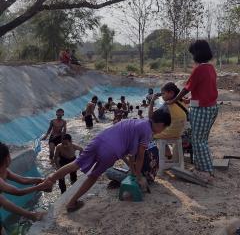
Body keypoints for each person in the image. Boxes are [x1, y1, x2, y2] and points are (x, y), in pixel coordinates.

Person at [38, 108, 171, 212]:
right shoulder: (147, 131)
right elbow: (140, 156)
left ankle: (50, 180)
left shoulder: (137, 122)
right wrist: (139, 175)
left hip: (99, 139)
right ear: (160, 124)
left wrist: (134, 171)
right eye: (164, 127)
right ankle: (72, 203)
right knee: (93, 176)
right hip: (110, 151)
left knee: (75, 164)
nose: (163, 130)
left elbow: (130, 154)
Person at [167, 40, 218, 183]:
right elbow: (204, 89)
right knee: (202, 141)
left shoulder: (199, 69)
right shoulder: (210, 68)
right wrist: (192, 99)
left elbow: (186, 88)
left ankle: (206, 172)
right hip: (210, 107)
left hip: (202, 110)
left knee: (198, 142)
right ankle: (203, 168)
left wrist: (174, 100)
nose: (192, 56)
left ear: (197, 53)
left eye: (193, 53)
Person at [0, 142, 46, 233]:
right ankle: (32, 215)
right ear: (6, 158)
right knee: (2, 201)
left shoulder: (5, 171)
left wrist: (40, 179)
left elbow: (23, 180)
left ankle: (32, 215)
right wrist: (40, 187)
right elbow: (18, 192)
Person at [149, 82, 187, 159]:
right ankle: (168, 153)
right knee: (162, 128)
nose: (162, 96)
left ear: (171, 93)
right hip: (179, 132)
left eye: (163, 94)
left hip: (170, 133)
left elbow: (151, 117)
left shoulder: (168, 105)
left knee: (152, 134)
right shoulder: (182, 101)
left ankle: (166, 154)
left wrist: (152, 101)